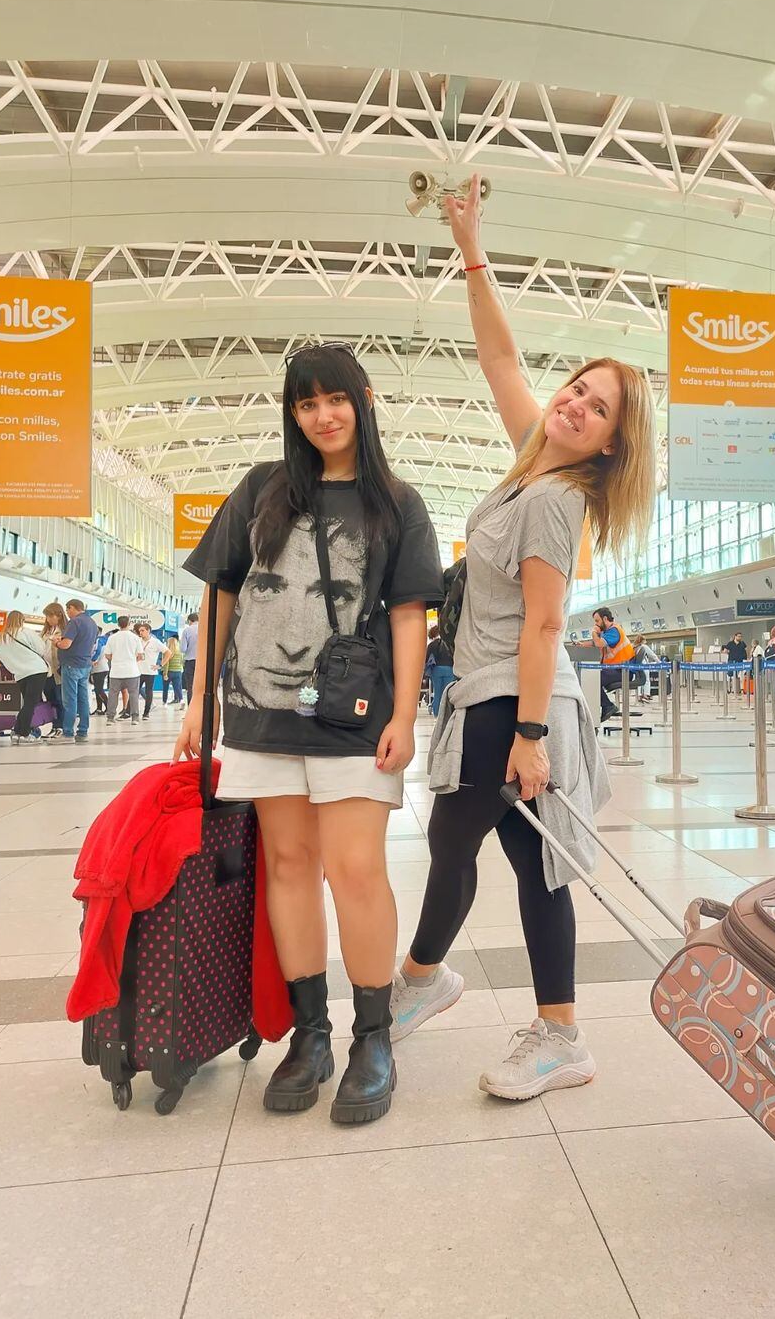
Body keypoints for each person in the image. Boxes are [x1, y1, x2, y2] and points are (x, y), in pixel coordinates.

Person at [390, 171, 656, 1100]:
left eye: (599, 409)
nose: (575, 404)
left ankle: (422, 980)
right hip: (499, 694)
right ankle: (560, 1033)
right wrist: (471, 248)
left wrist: (534, 738)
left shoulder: (556, 502)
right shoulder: (529, 467)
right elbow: (504, 363)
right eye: (578, 389)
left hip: (518, 700)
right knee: (532, 868)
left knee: (456, 836)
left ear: (611, 447)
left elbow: (547, 623)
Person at [174, 341, 443, 1125]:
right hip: (258, 718)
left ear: (362, 399)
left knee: (355, 869)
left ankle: (373, 1038)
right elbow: (221, 599)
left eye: (335, 399)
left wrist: (404, 714)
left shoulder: (396, 502)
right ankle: (311, 1034)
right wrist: (201, 701)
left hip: (354, 718)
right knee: (288, 865)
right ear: (292, 413)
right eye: (305, 403)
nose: (323, 416)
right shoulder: (262, 491)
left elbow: (407, 615)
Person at [0, 610, 50, 745]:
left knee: (27, 702)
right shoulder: (25, 632)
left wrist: (15, 667)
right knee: (30, 703)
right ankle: (24, 733)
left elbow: (2, 657)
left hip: (20, 674)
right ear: (21, 620)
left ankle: (17, 731)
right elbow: (41, 648)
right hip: (36, 671)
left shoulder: (1, 637)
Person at [54, 599, 99, 743]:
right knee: (83, 699)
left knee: (70, 700)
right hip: (85, 665)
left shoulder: (74, 622)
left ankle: (67, 733)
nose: (67, 613)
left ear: (72, 608)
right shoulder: (92, 623)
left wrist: (56, 643)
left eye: (68, 610)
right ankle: (83, 731)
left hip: (71, 664)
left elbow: (66, 644)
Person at [591, 606, 637, 721]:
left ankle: (608, 706)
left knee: (593, 680)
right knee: (593, 678)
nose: (596, 624)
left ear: (605, 619)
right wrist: (581, 645)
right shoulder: (608, 632)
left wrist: (593, 632)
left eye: (597, 621)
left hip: (623, 671)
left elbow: (599, 643)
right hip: (616, 669)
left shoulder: (614, 631)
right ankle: (605, 706)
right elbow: (595, 643)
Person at [103, 618, 141, 727]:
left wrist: (116, 659)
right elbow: (140, 655)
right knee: (133, 695)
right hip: (132, 671)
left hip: (116, 672)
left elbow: (108, 655)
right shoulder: (135, 638)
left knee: (113, 695)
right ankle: (135, 718)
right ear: (129, 624)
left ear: (118, 624)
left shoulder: (112, 638)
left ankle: (110, 718)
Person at [40, 602, 67, 738]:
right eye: (47, 617)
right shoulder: (45, 632)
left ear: (58, 615)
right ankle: (55, 726)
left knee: (60, 699)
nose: (48, 619)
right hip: (46, 671)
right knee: (51, 700)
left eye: (51, 616)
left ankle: (62, 726)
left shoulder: (65, 630)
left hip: (58, 671)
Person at [135, 623, 168, 720]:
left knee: (149, 692)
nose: (140, 632)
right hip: (138, 671)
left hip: (150, 671)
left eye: (143, 630)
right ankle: (132, 712)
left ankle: (146, 713)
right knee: (135, 691)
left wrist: (160, 665)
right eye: (140, 631)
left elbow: (168, 652)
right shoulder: (138, 641)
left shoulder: (155, 642)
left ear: (148, 630)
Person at [425, 623, 455, 718]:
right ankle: (447, 714)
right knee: (447, 693)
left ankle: (437, 715)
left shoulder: (431, 645)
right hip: (449, 669)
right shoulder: (450, 643)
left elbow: (426, 659)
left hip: (436, 670)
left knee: (437, 693)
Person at [180, 612, 199, 704]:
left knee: (190, 686)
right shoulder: (204, 629)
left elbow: (183, 649)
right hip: (202, 663)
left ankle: (191, 710)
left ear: (189, 621)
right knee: (201, 686)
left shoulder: (186, 630)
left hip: (190, 662)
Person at [90, 631, 110, 715]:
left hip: (100, 669)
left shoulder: (99, 643)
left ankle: (109, 707)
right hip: (97, 669)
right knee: (97, 689)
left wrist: (92, 660)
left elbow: (97, 654)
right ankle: (99, 708)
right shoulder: (97, 642)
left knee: (99, 689)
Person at [161, 633, 184, 705]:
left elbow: (166, 663)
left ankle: (164, 702)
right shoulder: (180, 651)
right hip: (178, 671)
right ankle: (181, 700)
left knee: (165, 688)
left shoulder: (166, 652)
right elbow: (182, 661)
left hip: (169, 672)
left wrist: (165, 673)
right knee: (178, 688)